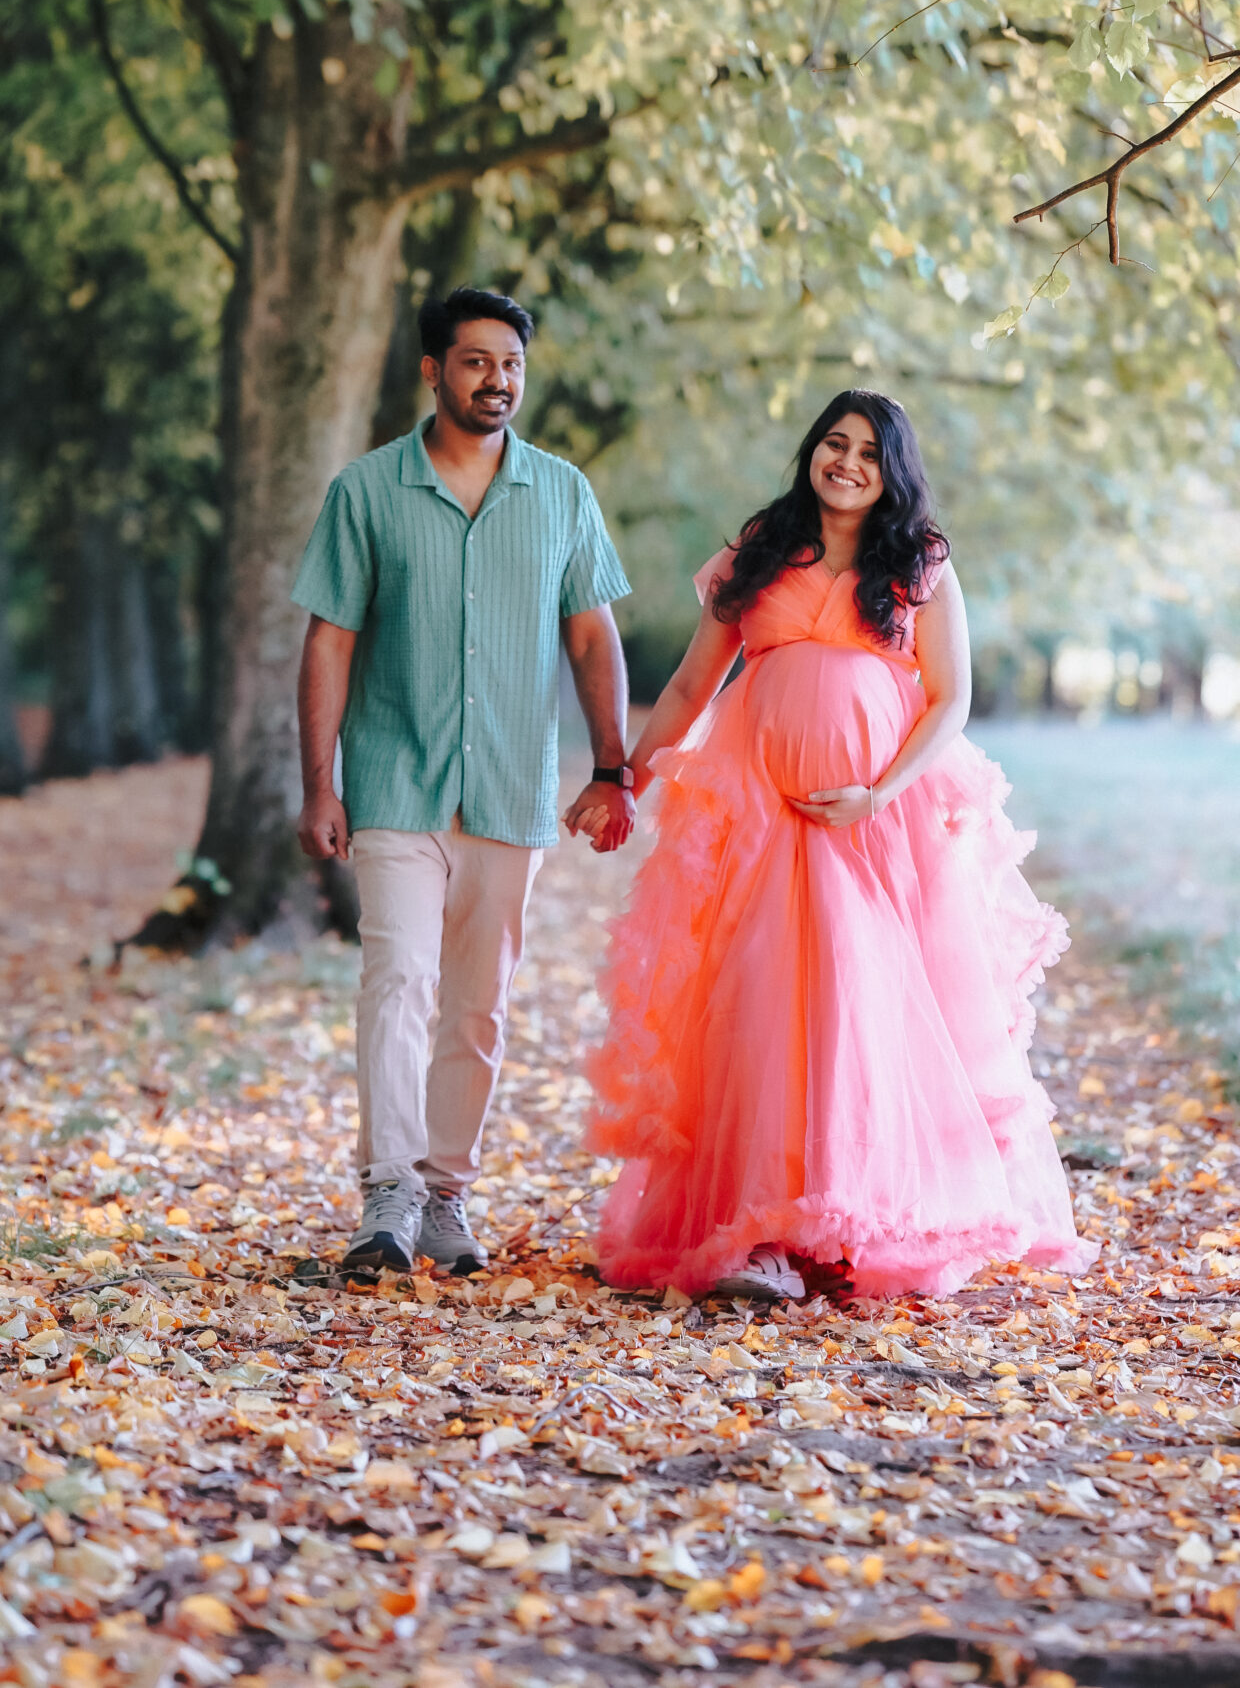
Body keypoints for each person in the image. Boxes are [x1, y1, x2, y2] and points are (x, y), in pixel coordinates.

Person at [587, 391, 1096, 1303]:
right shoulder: (761, 549)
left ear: (892, 469)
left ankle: (847, 1222)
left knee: (858, 1009)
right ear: (811, 451)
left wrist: (878, 794)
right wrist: (626, 778)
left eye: (868, 450)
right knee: (760, 1005)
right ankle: (764, 1235)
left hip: (872, 826)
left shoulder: (920, 563)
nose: (848, 462)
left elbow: (950, 699)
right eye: (834, 442)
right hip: (760, 821)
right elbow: (692, 686)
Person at [293, 286, 635, 1278]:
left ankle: (446, 1193)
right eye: (477, 360)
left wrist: (612, 765)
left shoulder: (562, 491)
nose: (499, 379)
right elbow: (330, 639)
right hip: (395, 777)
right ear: (433, 369)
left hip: (510, 787)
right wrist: (320, 784)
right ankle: (388, 1192)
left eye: (512, 363)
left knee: (477, 1002)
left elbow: (590, 632)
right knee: (397, 977)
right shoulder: (365, 490)